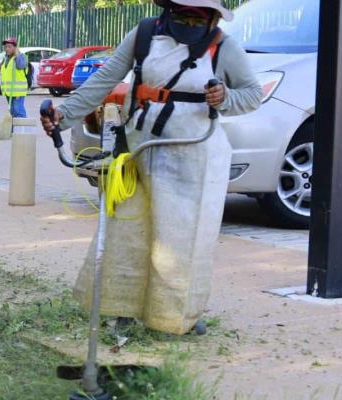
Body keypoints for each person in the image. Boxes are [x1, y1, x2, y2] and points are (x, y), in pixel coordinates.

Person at [41, 0, 262, 335]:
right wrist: (64, 113)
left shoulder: (225, 47)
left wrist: (225, 98)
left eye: (198, 15)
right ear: (169, 10)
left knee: (182, 240)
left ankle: (178, 314)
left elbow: (252, 95)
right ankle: (123, 310)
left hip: (195, 158)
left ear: (213, 17)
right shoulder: (145, 34)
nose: (190, 20)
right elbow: (105, 78)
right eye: (183, 13)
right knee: (128, 233)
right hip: (139, 150)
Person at [0, 37, 29, 118]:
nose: (7, 49)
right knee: (13, 112)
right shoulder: (5, 59)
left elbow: (21, 65)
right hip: (8, 91)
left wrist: (17, 54)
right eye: (5, 47)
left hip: (17, 91)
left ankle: (21, 130)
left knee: (18, 111)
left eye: (9, 46)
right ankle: (14, 129)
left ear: (15, 47)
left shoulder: (21, 57)